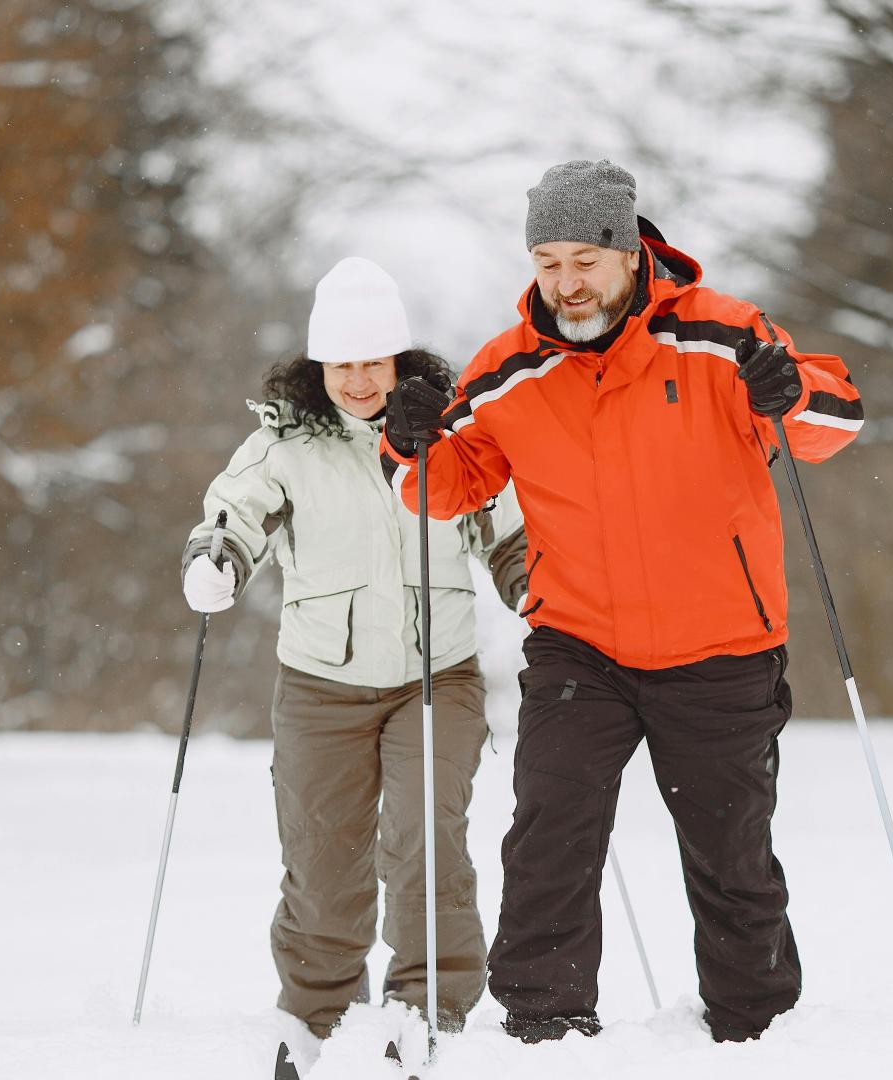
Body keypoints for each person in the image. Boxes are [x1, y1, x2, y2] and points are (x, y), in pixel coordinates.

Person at [378, 160, 865, 1044]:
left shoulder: (722, 336)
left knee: (732, 859)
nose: (564, 283)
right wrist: (405, 436)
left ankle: (757, 1033)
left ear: (628, 251)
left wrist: (789, 391)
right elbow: (443, 487)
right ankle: (543, 1028)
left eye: (583, 261)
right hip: (580, 645)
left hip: (721, 644)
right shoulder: (505, 372)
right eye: (547, 261)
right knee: (549, 837)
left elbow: (835, 419)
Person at [181, 256, 528, 1038]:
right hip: (319, 688)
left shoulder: (450, 436)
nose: (361, 380)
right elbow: (235, 513)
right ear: (319, 366)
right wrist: (217, 562)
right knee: (323, 857)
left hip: (433, 679)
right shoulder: (285, 445)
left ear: (400, 359)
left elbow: (507, 529)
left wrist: (532, 585)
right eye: (343, 363)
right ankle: (315, 1015)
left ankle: (431, 1007)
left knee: (424, 836)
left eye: (374, 360)